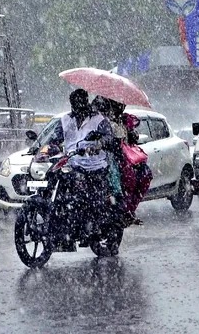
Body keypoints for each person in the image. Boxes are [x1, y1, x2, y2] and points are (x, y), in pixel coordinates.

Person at [51, 89, 115, 240]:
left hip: (95, 165)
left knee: (92, 199)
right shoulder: (65, 120)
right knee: (58, 184)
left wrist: (98, 144)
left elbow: (109, 137)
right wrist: (48, 148)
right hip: (72, 163)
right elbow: (54, 139)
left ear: (86, 102)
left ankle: (95, 225)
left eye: (81, 102)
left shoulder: (99, 120)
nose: (78, 107)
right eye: (75, 103)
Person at [93, 96, 151, 226]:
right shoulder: (99, 121)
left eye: (122, 105)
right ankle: (124, 209)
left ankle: (127, 210)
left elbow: (127, 139)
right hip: (107, 158)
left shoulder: (122, 121)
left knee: (140, 176)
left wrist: (130, 135)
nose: (122, 107)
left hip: (122, 158)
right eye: (119, 104)